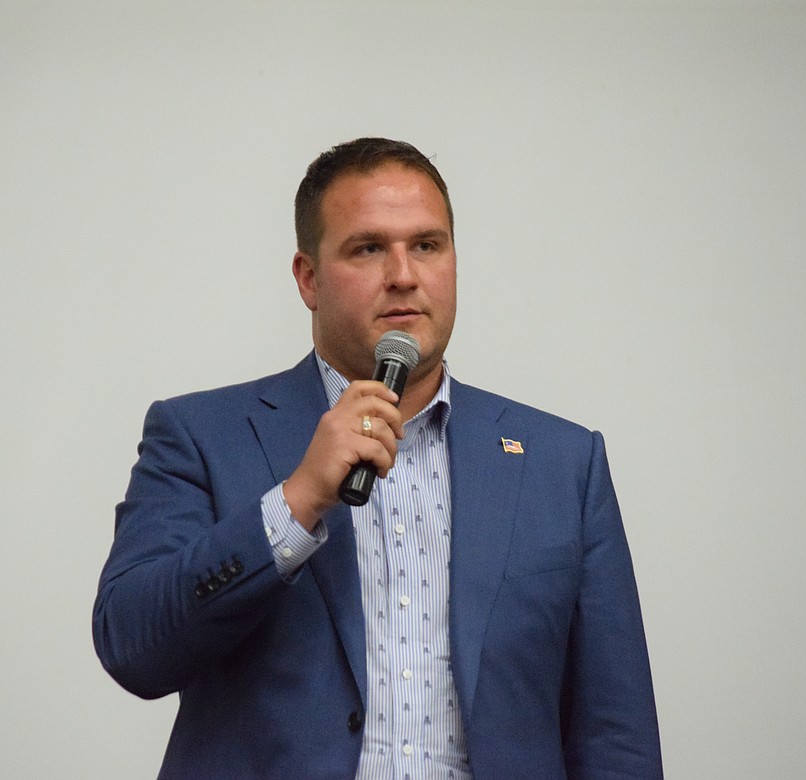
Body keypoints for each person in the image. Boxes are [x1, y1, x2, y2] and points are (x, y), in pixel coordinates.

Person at [93, 138, 662, 778]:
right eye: (368, 248)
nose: (403, 275)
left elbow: (617, 735)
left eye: (427, 245)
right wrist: (296, 502)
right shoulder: (201, 435)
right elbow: (132, 646)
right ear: (308, 278)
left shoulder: (563, 464)